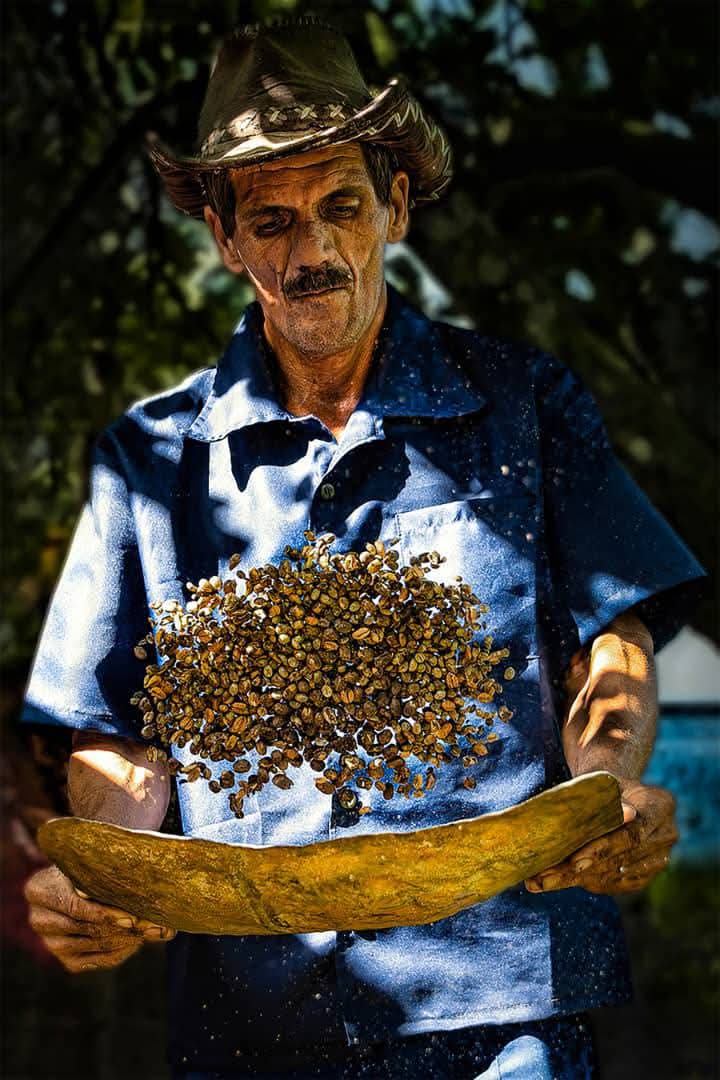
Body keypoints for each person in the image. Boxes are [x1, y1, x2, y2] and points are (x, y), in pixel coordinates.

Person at [20, 18, 707, 1080]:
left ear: (394, 204)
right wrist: (114, 871)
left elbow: (610, 642)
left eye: (342, 205)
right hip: (255, 1018)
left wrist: (606, 786)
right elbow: (115, 732)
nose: (313, 252)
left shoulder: (525, 404)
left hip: (503, 1005)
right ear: (226, 239)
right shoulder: (148, 461)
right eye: (272, 219)